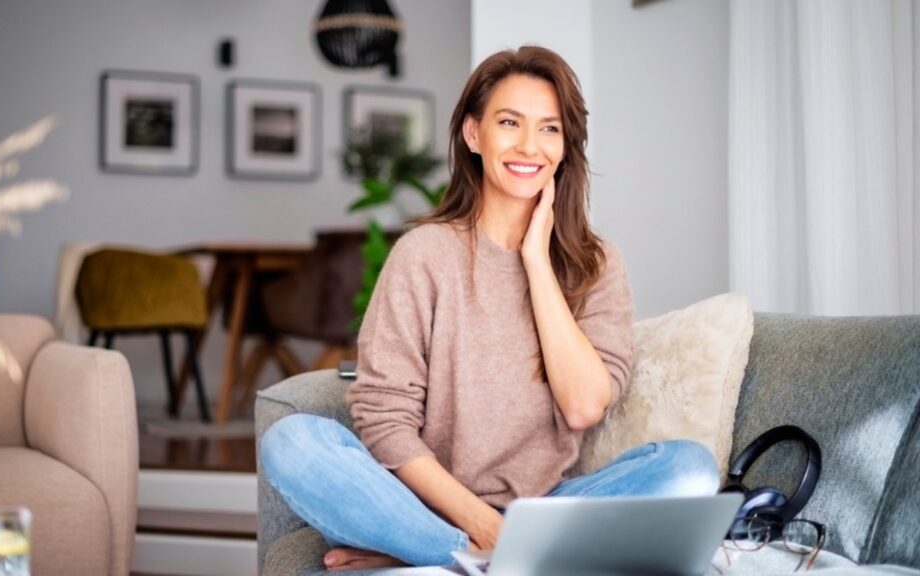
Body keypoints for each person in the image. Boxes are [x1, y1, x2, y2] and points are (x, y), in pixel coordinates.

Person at [260, 45, 720, 571]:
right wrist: (482, 526)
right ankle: (490, 554)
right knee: (292, 443)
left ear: (566, 145)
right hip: (429, 505)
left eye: (549, 128)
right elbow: (386, 422)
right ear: (473, 134)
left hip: (547, 510)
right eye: (510, 122)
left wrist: (536, 263)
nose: (530, 145)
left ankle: (433, 554)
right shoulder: (425, 254)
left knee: (690, 468)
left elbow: (584, 407)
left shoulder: (596, 263)